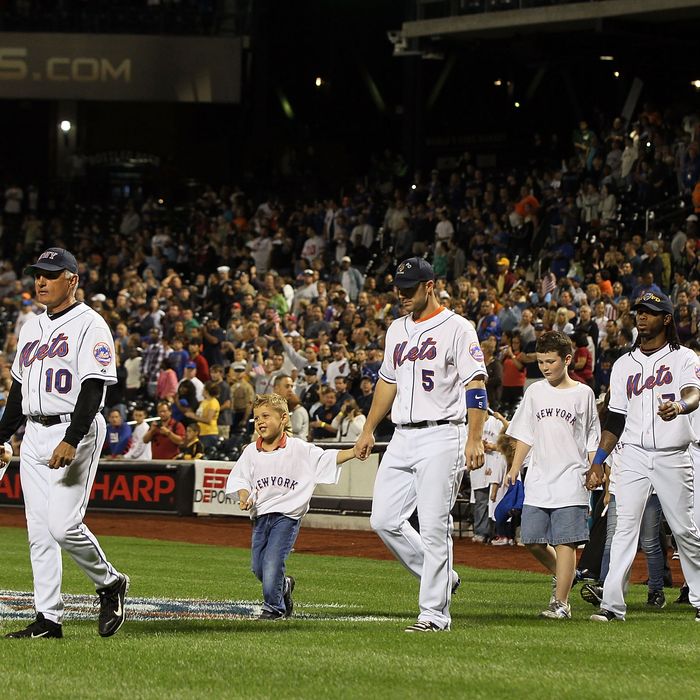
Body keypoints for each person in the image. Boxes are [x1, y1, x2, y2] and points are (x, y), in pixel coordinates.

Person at [0, 247, 129, 639]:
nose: (41, 280)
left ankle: (110, 584)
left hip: (75, 428)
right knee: (38, 532)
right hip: (35, 433)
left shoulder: (91, 324)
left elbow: (93, 384)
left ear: (72, 280)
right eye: (38, 273)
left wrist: (73, 438)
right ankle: (48, 618)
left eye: (51, 274)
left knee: (62, 525)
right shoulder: (30, 327)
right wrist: (2, 434)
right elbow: (18, 392)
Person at [354, 257, 487, 632]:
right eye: (399, 289)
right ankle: (444, 578)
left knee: (433, 526)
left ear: (430, 286)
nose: (402, 296)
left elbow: (475, 385)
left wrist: (474, 438)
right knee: (384, 519)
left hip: (443, 434)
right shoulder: (396, 329)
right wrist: (368, 429)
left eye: (410, 289)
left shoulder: (459, 328)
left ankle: (434, 614)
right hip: (401, 435)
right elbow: (387, 383)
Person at [586, 291, 700, 622]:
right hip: (633, 454)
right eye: (639, 311)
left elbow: (693, 393)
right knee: (623, 529)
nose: (641, 316)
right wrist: (598, 460)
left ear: (666, 318)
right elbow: (616, 419)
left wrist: (679, 406)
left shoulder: (684, 358)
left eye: (649, 312)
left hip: (672, 454)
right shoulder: (623, 364)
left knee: (684, 530)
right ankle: (612, 605)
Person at [225, 394, 360, 619]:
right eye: (256, 417)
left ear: (284, 419)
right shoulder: (250, 451)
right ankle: (285, 585)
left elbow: (327, 459)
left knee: (272, 563)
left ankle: (274, 609)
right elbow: (241, 479)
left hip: (286, 517)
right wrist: (244, 495)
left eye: (266, 416)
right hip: (260, 517)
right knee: (259, 568)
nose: (260, 421)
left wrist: (354, 452)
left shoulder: (299, 449)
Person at [505, 330, 600, 619]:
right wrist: (513, 468)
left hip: (572, 478)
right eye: (542, 362)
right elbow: (524, 434)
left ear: (568, 359)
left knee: (565, 541)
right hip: (538, 478)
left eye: (551, 361)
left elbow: (592, 438)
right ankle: (564, 576)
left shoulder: (583, 393)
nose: (545, 367)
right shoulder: (534, 391)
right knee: (532, 540)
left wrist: (596, 468)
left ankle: (561, 603)